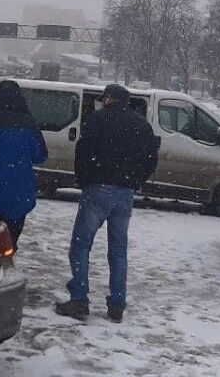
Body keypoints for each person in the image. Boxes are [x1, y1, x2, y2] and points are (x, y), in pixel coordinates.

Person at [56, 83, 159, 323]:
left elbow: (83, 152)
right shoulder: (141, 125)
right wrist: (135, 181)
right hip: (125, 193)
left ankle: (80, 299)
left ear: (109, 99)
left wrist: (84, 180)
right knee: (118, 250)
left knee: (81, 245)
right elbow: (150, 159)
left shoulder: (96, 120)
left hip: (98, 188)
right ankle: (117, 305)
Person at [0, 80, 47, 248]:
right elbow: (40, 155)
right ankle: (10, 250)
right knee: (13, 232)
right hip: (21, 189)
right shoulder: (29, 123)